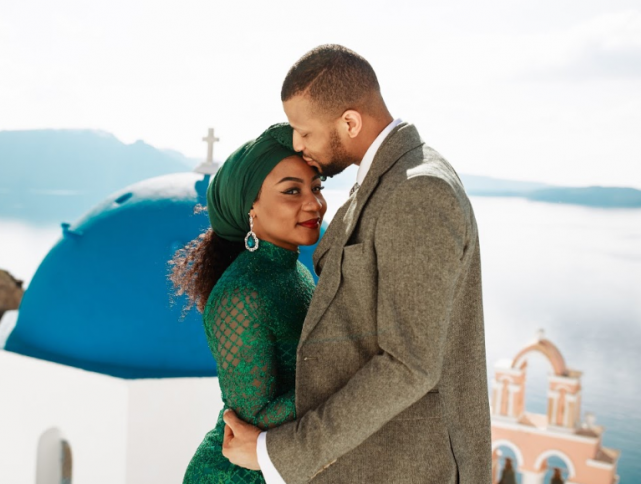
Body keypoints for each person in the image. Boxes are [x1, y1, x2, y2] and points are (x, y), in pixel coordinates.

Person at [221, 44, 493, 483]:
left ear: (349, 122)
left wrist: (278, 453)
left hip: (413, 470)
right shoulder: (387, 179)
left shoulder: (418, 191)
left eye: (304, 131)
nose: (297, 144)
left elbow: (409, 365)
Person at [171, 123, 327, 484]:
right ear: (250, 207)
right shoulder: (242, 292)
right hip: (236, 473)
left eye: (317, 187)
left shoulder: (294, 272)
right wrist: (347, 373)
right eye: (292, 190)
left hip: (279, 465)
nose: (314, 203)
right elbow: (253, 415)